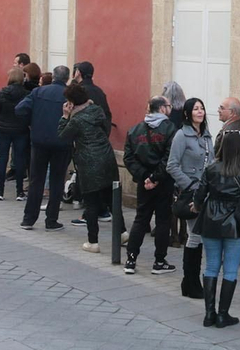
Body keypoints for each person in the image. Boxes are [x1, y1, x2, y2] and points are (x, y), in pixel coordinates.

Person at [196, 129, 240, 328]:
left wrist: (196, 206)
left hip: (211, 220)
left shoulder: (211, 168)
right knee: (231, 269)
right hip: (235, 224)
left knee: (211, 266)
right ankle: (223, 314)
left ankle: (208, 314)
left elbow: (199, 194)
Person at [123, 96, 178, 275]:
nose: (170, 109)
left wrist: (144, 177)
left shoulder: (135, 130)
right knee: (163, 221)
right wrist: (155, 177)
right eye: (168, 106)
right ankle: (159, 261)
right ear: (162, 109)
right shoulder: (170, 129)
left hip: (144, 184)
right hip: (164, 182)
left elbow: (128, 158)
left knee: (141, 219)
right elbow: (170, 158)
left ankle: (130, 260)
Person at [59, 82, 114, 250]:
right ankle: (122, 233)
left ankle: (92, 241)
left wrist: (64, 116)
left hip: (89, 163)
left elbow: (62, 136)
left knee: (91, 203)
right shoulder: (97, 111)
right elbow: (105, 130)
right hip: (107, 157)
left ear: (71, 102)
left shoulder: (76, 120)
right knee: (112, 199)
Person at [168, 97, 214, 299]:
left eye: (202, 108)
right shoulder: (181, 135)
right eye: (196, 109)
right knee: (195, 235)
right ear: (187, 114)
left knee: (198, 236)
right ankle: (191, 282)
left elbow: (211, 162)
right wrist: (190, 184)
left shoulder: (207, 136)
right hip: (191, 192)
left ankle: (190, 283)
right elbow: (172, 165)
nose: (200, 111)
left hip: (206, 192)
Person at [17, 67, 72, 230]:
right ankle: (51, 220)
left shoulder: (38, 92)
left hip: (39, 141)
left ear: (53, 77)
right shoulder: (69, 95)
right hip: (62, 142)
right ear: (67, 78)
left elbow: (20, 109)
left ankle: (28, 219)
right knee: (56, 181)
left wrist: (32, 122)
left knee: (36, 180)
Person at [0, 67, 30, 201]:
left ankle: (0, 191)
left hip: (3, 129)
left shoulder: (3, 92)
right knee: (20, 159)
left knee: (3, 159)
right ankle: (19, 192)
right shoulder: (26, 93)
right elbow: (28, 112)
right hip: (21, 129)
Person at [70, 60, 111, 126]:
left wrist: (74, 81)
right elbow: (107, 114)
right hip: (98, 133)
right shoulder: (99, 91)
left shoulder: (77, 91)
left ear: (78, 73)